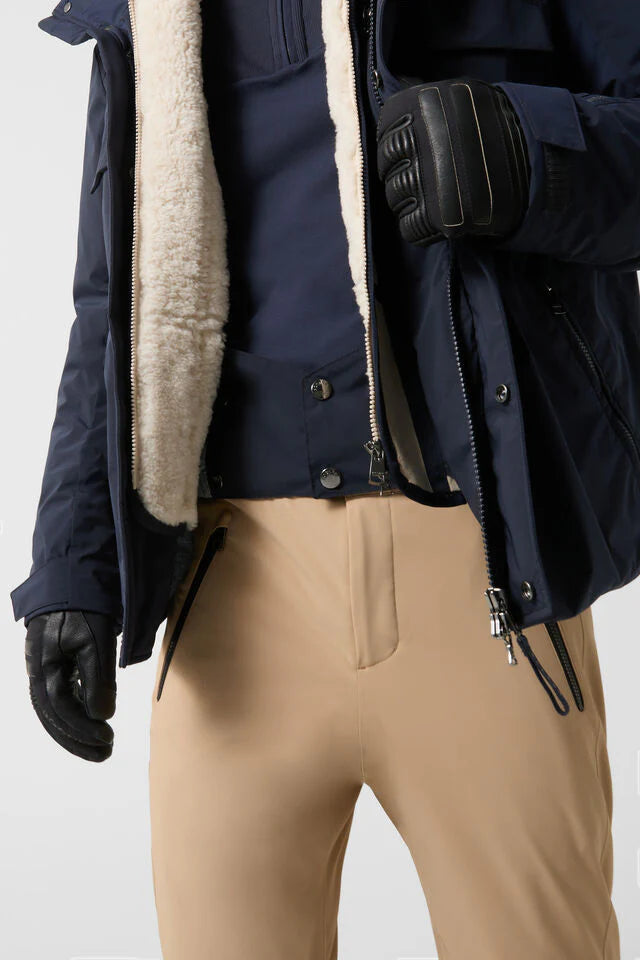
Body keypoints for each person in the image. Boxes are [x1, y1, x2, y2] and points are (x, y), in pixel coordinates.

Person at [14, 0, 640, 956]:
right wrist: (74, 564)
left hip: (481, 565)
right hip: (232, 595)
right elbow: (114, 296)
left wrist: (527, 152)